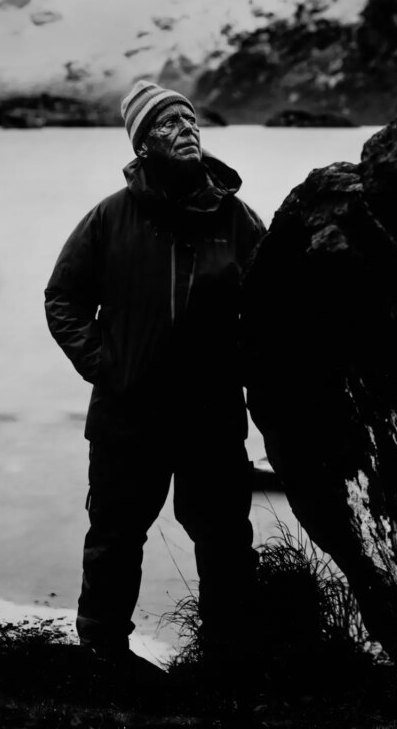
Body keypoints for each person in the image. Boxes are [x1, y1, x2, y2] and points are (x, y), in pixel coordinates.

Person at [44, 80, 266, 685]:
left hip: (212, 412)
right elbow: (62, 299)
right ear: (143, 145)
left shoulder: (236, 217)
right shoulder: (109, 219)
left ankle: (227, 660)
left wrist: (251, 372)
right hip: (127, 413)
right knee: (115, 536)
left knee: (224, 539)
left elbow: (273, 306)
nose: (185, 130)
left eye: (189, 121)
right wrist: (106, 366)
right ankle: (102, 656)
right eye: (168, 124)